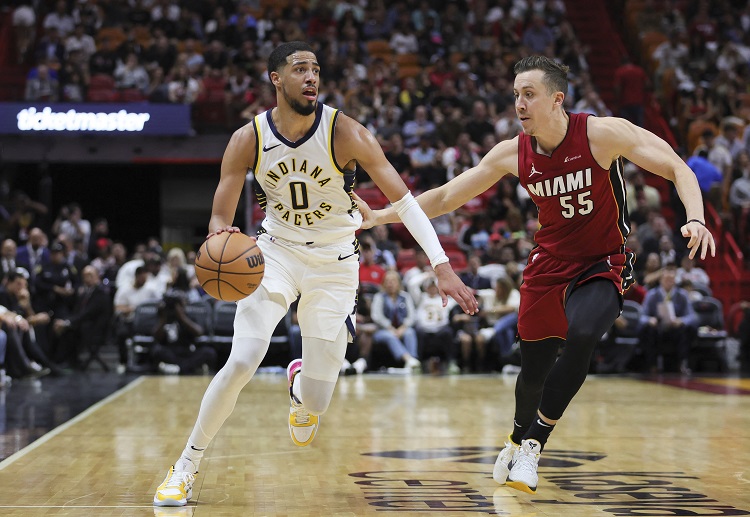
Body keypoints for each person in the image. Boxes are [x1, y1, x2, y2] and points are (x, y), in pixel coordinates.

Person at [357, 55, 715, 494]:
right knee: (532, 374)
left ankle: (534, 445)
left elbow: (677, 166)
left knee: (583, 334)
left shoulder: (601, 134)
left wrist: (695, 218)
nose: (519, 105)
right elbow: (447, 196)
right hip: (548, 266)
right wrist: (379, 217)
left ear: (556, 100)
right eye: (515, 96)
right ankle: (514, 438)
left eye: (529, 95)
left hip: (603, 261)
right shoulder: (513, 152)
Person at [153, 41, 477, 508]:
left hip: (335, 261)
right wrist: (222, 249)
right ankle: (185, 465)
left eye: (316, 69)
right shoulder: (248, 138)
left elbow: (404, 202)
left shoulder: (346, 132)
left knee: (318, 403)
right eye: (300, 68)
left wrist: (441, 265)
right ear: (276, 79)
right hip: (274, 253)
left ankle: (299, 383)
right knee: (242, 360)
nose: (311, 76)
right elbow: (219, 220)